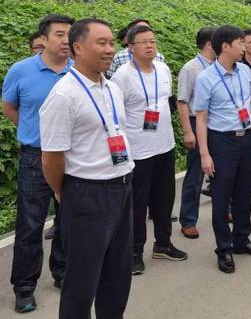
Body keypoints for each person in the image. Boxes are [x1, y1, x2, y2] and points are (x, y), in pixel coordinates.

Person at [39, 18, 135, 318]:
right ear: (77, 48)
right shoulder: (64, 95)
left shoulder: (112, 87)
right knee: (82, 282)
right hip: (87, 192)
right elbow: (52, 157)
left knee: (117, 276)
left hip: (122, 186)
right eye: (101, 43)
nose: (109, 49)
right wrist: (64, 192)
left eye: (111, 42)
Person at [2, 14, 73, 313]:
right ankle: (24, 286)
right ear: (43, 39)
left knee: (68, 220)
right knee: (30, 223)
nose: (66, 40)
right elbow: (8, 106)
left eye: (71, 34)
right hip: (36, 156)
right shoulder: (22, 69)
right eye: (59, 34)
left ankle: (63, 272)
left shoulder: (78, 71)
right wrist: (30, 130)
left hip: (72, 156)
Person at [111, 26, 187, 275]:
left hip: (164, 145)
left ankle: (163, 244)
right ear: (130, 47)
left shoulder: (163, 70)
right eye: (143, 42)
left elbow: (165, 103)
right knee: (137, 203)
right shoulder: (122, 76)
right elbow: (115, 116)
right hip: (138, 150)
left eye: (153, 41)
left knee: (164, 198)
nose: (150, 45)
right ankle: (134, 250)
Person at [194, 25, 251, 274]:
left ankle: (241, 239)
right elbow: (201, 119)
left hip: (246, 138)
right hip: (221, 141)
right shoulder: (206, 79)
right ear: (225, 46)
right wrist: (204, 154)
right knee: (222, 196)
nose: (245, 47)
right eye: (240, 43)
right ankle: (223, 248)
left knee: (245, 192)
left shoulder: (245, 71)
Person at [177, 27, 217, 239]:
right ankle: (188, 220)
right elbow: (183, 101)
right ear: (210, 44)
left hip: (216, 122)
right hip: (195, 121)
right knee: (195, 175)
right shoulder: (190, 68)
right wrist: (187, 132)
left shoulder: (218, 67)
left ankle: (224, 209)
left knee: (222, 170)